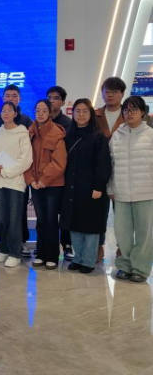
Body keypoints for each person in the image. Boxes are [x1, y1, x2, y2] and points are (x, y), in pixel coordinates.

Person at [60, 99, 111, 274]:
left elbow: (103, 164)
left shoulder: (98, 136)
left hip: (91, 188)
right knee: (74, 224)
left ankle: (88, 261)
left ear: (91, 114)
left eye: (85, 111)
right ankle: (78, 258)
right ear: (72, 114)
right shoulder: (68, 135)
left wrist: (98, 187)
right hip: (71, 188)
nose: (81, 115)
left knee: (90, 226)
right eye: (77, 111)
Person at [108, 96, 153, 283]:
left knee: (144, 233)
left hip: (145, 192)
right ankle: (125, 265)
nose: (129, 113)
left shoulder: (150, 134)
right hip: (121, 192)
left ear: (142, 112)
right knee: (122, 233)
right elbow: (110, 165)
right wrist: (110, 187)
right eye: (126, 109)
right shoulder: (117, 135)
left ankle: (140, 268)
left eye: (134, 109)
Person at [0, 85, 33, 257]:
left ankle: (15, 251)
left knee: (16, 217)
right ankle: (4, 248)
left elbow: (26, 158)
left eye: (14, 96)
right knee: (3, 217)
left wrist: (8, 172)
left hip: (16, 181)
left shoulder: (24, 128)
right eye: (4, 109)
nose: (6, 112)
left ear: (16, 111)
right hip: (0, 181)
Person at [25, 100, 67, 270]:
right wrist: (31, 180)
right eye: (38, 110)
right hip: (35, 184)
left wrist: (44, 180)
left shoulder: (57, 132)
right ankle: (41, 253)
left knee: (50, 220)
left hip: (52, 184)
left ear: (50, 113)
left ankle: (52, 256)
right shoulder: (30, 132)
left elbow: (59, 162)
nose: (40, 113)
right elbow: (25, 158)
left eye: (44, 110)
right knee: (41, 220)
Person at [95, 76, 126, 262]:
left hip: (122, 170)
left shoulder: (129, 114)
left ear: (122, 94)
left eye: (115, 92)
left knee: (122, 214)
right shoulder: (95, 115)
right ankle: (98, 246)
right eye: (107, 91)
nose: (110, 95)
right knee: (98, 212)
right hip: (99, 170)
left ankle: (123, 248)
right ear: (102, 94)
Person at [46, 86, 73, 260]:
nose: (52, 101)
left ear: (62, 102)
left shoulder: (68, 124)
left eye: (56, 98)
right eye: (49, 97)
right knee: (47, 215)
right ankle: (48, 247)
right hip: (44, 176)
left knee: (64, 211)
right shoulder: (40, 122)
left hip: (64, 175)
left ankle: (67, 244)